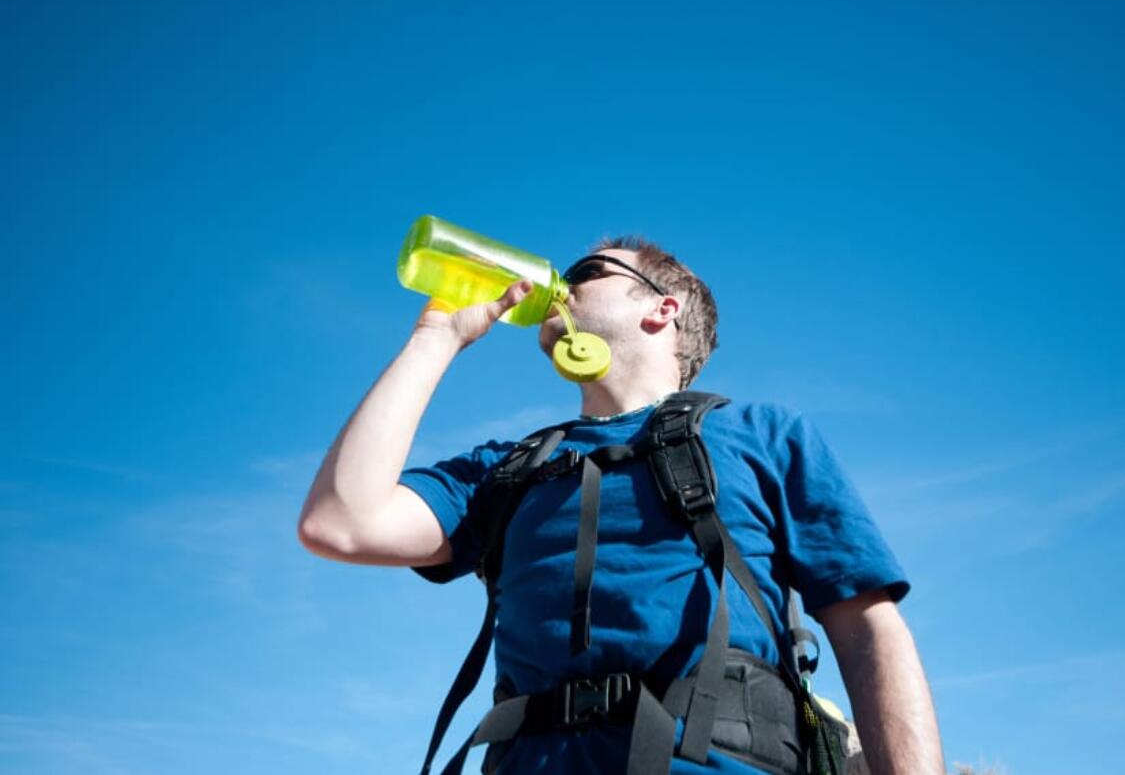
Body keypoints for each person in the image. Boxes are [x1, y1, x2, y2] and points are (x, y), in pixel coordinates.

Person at [298, 238, 945, 774]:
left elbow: (869, 629)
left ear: (662, 309)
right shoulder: (506, 465)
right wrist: (436, 336)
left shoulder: (762, 434)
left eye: (588, 272)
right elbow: (341, 521)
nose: (562, 283)